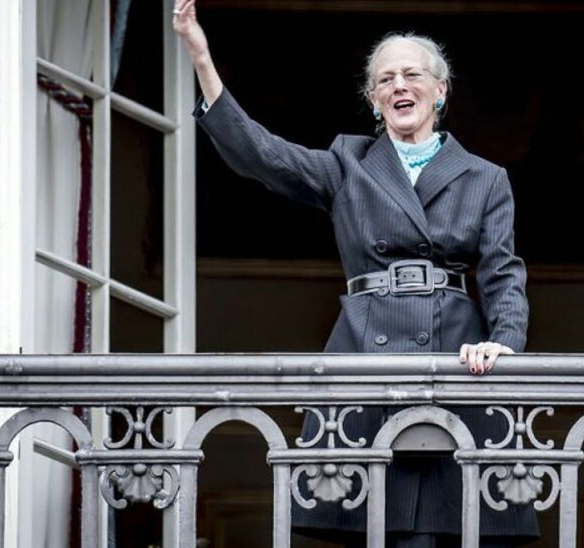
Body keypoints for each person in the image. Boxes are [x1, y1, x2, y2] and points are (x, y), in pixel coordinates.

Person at [173, 2, 536, 546]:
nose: (399, 85)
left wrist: (503, 345)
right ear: (374, 101)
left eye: (412, 75)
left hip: (457, 362)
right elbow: (260, 154)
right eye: (385, 79)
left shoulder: (485, 177)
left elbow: (504, 274)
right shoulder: (349, 164)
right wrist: (201, 57)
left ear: (441, 91)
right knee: (376, 526)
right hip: (369, 358)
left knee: (447, 526)